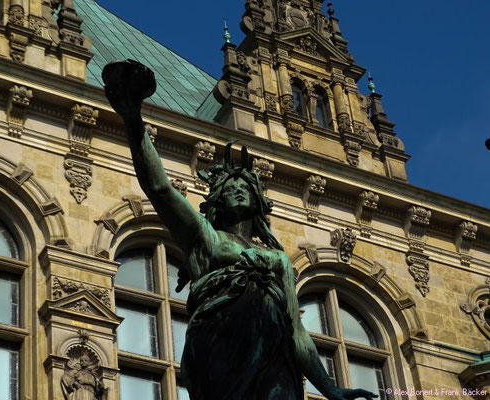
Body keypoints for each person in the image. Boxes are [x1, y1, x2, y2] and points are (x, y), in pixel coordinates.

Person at [103, 60, 377, 400]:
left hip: (274, 354)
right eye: (229, 186)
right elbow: (159, 188)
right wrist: (133, 121)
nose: (236, 189)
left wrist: (331, 388)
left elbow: (297, 333)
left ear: (257, 201)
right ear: (216, 199)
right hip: (220, 342)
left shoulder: (278, 259)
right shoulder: (206, 237)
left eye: (244, 185)